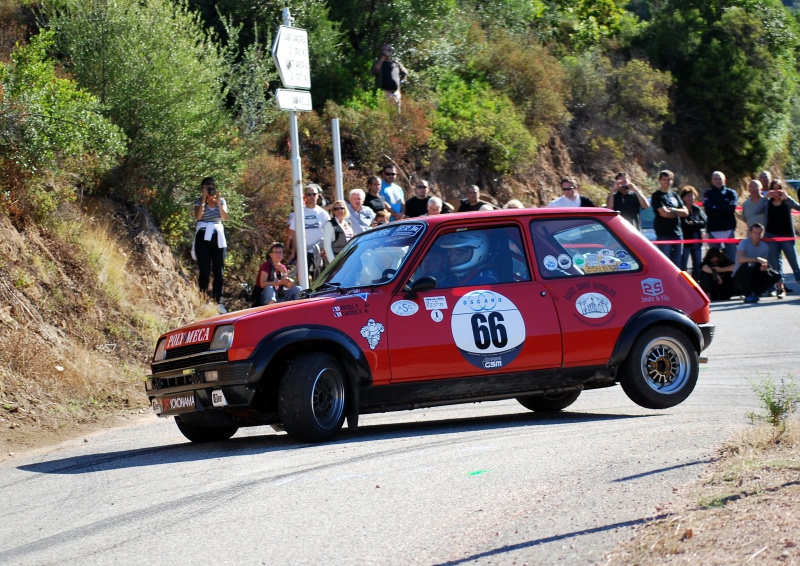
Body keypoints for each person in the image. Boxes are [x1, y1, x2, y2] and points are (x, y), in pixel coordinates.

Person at [754, 180, 800, 297]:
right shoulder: (767, 203)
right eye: (773, 189)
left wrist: (787, 197)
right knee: (775, 264)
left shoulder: (786, 202)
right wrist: (765, 197)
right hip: (771, 236)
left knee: (793, 262)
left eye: (778, 189)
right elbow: (756, 211)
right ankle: (780, 288)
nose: (776, 192)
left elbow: (798, 208)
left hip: (787, 236)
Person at [192, 176, 228, 314]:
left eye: (211, 187)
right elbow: (198, 217)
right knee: (204, 269)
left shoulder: (222, 201)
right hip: (203, 234)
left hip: (217, 235)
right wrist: (203, 200)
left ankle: (218, 301)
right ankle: (203, 299)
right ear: (202, 189)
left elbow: (224, 218)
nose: (209, 189)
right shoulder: (199, 201)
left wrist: (218, 202)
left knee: (219, 269)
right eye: (206, 187)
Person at [285, 183, 330, 283]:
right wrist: (289, 251)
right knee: (303, 280)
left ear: (318, 196)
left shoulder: (323, 213)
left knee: (319, 279)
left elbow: (329, 233)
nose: (312, 196)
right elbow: (290, 234)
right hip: (303, 252)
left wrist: (326, 248)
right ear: (305, 196)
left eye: (314, 194)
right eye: (309, 194)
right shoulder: (299, 212)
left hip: (318, 251)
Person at [733, 223, 782, 303]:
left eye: (759, 233)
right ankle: (748, 294)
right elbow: (740, 259)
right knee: (746, 265)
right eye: (755, 233)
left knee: (776, 275)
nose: (757, 235)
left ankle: (756, 293)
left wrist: (764, 266)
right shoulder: (744, 243)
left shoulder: (764, 246)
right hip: (740, 276)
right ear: (750, 234)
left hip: (754, 276)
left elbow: (764, 262)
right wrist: (757, 259)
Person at [651, 170, 688, 267]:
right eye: (664, 179)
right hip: (664, 235)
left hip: (677, 233)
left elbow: (686, 212)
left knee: (677, 264)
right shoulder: (657, 196)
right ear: (660, 180)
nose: (666, 182)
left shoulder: (675, 195)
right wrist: (677, 212)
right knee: (665, 264)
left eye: (669, 179)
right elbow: (665, 214)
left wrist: (672, 210)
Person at [703, 170, 738, 261]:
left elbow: (731, 209)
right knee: (713, 259)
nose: (718, 181)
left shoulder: (731, 193)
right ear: (712, 181)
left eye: (720, 179)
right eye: (715, 179)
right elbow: (709, 211)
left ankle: (732, 275)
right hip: (713, 230)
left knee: (732, 258)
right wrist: (724, 207)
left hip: (728, 230)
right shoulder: (708, 194)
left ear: (724, 180)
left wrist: (716, 207)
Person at [679, 186, 707, 281]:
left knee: (697, 264)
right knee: (683, 265)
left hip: (697, 240)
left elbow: (704, 221)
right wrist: (696, 223)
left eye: (692, 196)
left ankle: (696, 283)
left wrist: (695, 223)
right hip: (685, 240)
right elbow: (684, 224)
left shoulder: (696, 208)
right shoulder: (681, 209)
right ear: (683, 197)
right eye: (688, 196)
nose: (690, 198)